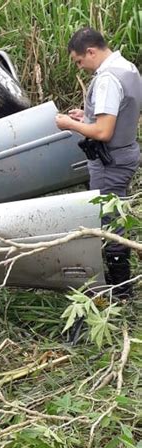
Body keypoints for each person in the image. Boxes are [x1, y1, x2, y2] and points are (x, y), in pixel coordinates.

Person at [55, 27, 142, 298]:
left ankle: (121, 291)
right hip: (126, 151)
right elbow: (122, 112)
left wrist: (70, 124)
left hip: (110, 161)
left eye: (79, 61)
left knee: (110, 220)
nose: (80, 67)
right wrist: (87, 115)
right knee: (117, 212)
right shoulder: (127, 68)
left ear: (91, 51)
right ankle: (121, 285)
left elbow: (103, 133)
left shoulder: (107, 79)